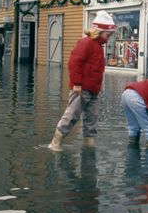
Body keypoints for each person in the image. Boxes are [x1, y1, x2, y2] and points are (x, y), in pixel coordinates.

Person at [48, 10, 116, 151]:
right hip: (82, 88)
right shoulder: (86, 43)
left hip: (93, 91)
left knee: (92, 118)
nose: (108, 38)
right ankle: (55, 142)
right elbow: (74, 63)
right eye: (107, 34)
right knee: (72, 114)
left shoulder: (97, 46)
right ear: (98, 31)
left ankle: (88, 143)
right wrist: (77, 84)